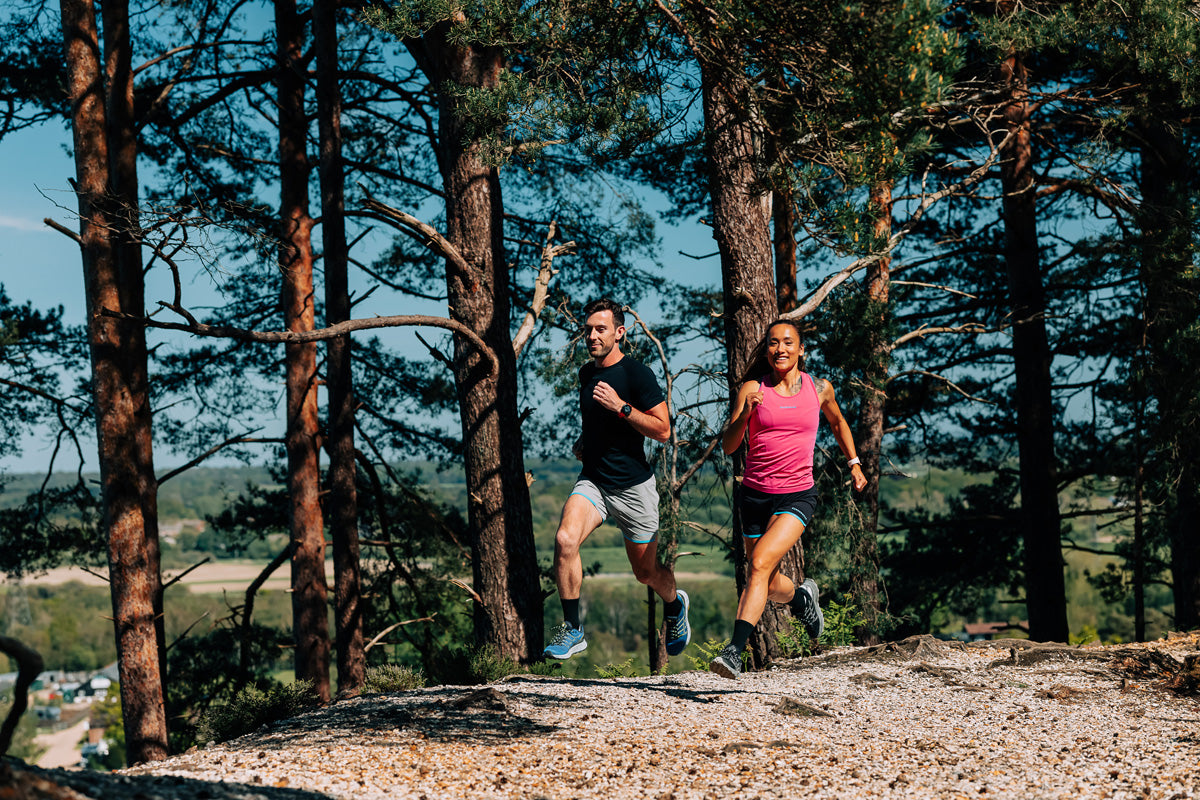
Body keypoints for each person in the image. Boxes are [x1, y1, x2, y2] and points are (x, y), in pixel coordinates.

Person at [710, 319, 867, 679]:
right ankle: (800, 598)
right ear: (766, 350)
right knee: (762, 574)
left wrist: (854, 464)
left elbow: (839, 423)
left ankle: (734, 650)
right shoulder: (753, 388)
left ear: (800, 349)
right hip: (754, 495)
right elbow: (730, 444)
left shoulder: (819, 388)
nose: (780, 349)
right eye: (773, 343)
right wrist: (747, 412)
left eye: (788, 342)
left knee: (761, 562)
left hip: (797, 494)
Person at [543, 298, 692, 660]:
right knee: (565, 540)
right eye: (588, 329)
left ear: (619, 333)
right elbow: (598, 423)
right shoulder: (586, 374)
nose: (592, 336)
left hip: (633, 489)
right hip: (594, 481)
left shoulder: (637, 375)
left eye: (601, 329)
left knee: (645, 573)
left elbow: (663, 430)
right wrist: (586, 442)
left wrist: (622, 407)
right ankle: (573, 629)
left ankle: (674, 606)